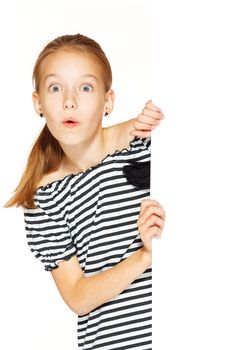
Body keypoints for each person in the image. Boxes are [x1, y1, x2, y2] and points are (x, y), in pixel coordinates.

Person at [5, 33, 166, 349]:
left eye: (86, 87)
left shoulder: (146, 145)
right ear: (38, 103)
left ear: (108, 101)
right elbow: (78, 297)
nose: (69, 100)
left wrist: (163, 120)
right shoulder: (44, 197)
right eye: (55, 87)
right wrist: (145, 256)